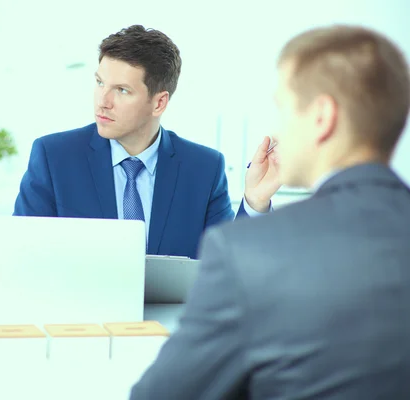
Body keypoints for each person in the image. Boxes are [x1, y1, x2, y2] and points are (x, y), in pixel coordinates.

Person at [129, 24, 410, 399]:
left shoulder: (247, 254)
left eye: (282, 107)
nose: (275, 128)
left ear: (322, 117)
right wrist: (255, 203)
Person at [13, 25, 280, 258]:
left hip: (171, 317)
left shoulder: (203, 168)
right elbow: (21, 254)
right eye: (99, 82)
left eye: (122, 90)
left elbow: (228, 267)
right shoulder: (54, 157)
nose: (102, 101)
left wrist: (255, 202)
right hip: (79, 315)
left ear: (159, 102)